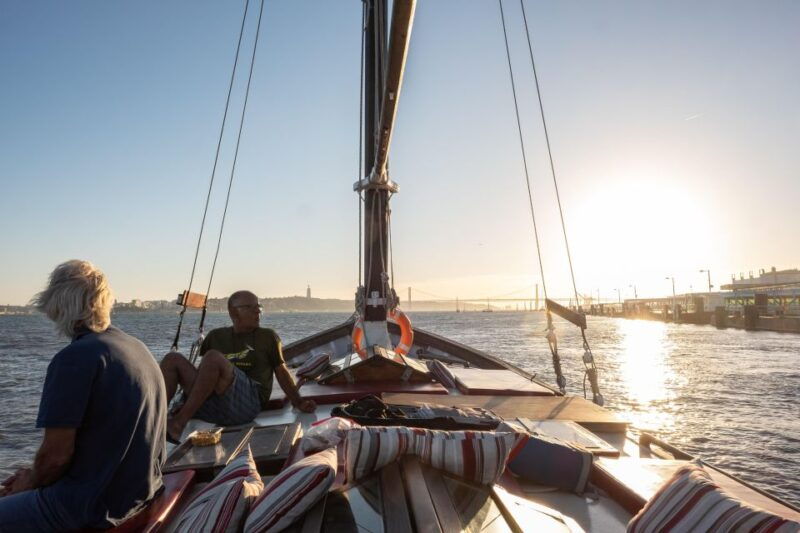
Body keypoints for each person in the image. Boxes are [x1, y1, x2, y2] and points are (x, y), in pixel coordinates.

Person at [0, 260, 167, 532]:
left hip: (89, 507)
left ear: (58, 304)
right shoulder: (136, 348)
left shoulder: (74, 359)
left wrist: (29, 482)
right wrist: (32, 475)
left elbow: (55, 458)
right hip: (139, 495)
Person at [160, 290, 315, 442]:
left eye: (258, 307)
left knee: (213, 357)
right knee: (172, 359)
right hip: (215, 405)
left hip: (247, 406)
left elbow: (281, 371)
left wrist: (298, 401)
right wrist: (183, 400)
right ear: (233, 313)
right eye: (250, 307)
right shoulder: (215, 336)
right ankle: (155, 421)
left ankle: (178, 423)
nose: (258, 311)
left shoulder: (267, 336)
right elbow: (203, 376)